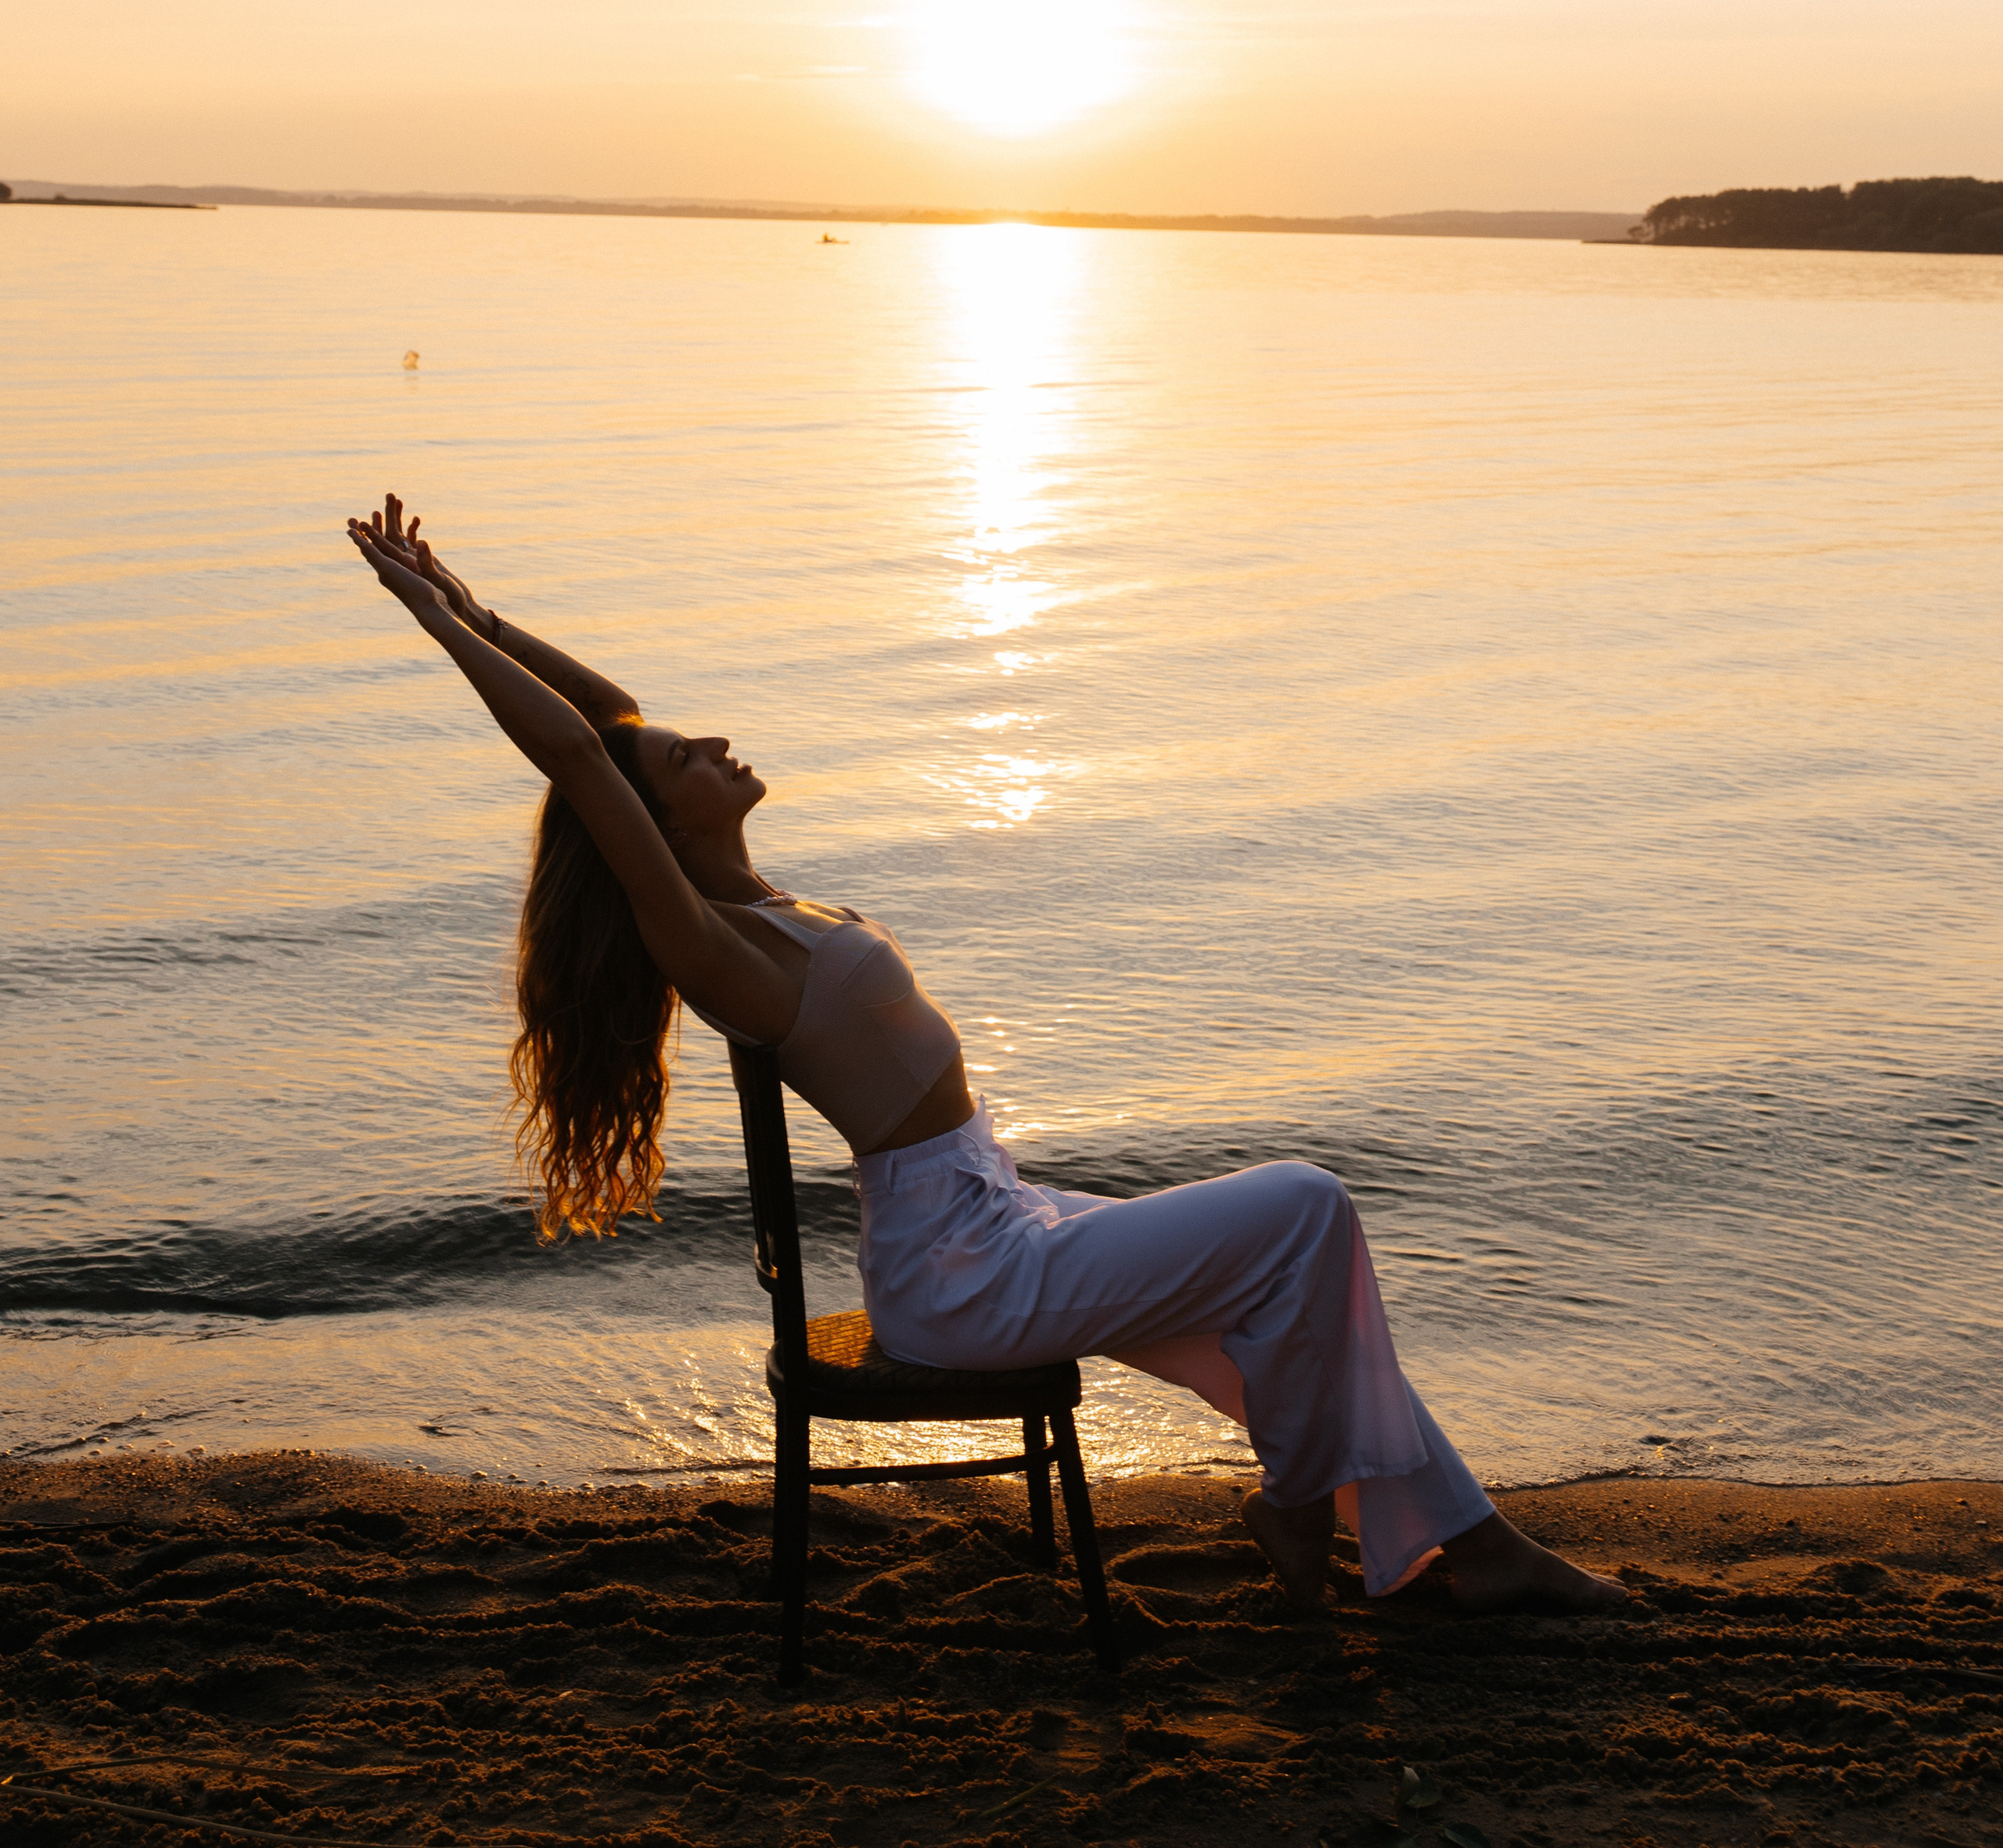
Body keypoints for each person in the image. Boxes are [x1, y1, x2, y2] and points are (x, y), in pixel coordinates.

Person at [345, 496, 1623, 1620]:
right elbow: (582, 756)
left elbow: (604, 721)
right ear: (658, 826)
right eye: (684, 761)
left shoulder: (758, 901)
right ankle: (1301, 1506)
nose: (710, 742)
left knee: (1303, 1302)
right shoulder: (713, 945)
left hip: (988, 1215)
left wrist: (479, 605)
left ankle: (1478, 1543)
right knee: (1307, 1206)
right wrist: (434, 630)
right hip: (963, 1276)